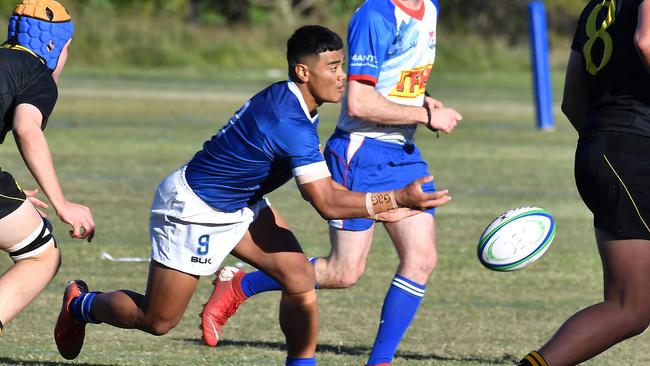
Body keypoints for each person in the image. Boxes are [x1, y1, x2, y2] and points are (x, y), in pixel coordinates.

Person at [53, 25, 451, 365]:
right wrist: (397, 199)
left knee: (298, 278)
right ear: (303, 72)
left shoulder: (290, 98)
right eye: (333, 67)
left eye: (342, 65)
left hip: (241, 204)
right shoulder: (290, 122)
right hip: (194, 210)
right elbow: (326, 202)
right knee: (158, 320)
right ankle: (80, 305)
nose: (342, 75)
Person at [200, 1, 462, 365]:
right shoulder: (376, 15)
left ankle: (380, 362)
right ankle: (242, 284)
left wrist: (424, 100)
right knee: (344, 272)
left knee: (422, 258)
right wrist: (425, 115)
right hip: (361, 152)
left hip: (402, 151)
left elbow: (399, 76)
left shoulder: (430, 7)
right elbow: (358, 102)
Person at [518, 1, 650, 365]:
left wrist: (606, 146)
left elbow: (571, 102)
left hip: (601, 148)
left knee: (631, 308)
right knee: (628, 308)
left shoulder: (596, 7)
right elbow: (647, 41)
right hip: (634, 151)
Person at [0, 0, 95, 337]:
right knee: (41, 256)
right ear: (54, 44)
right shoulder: (37, 73)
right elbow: (27, 128)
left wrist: (9, 195)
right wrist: (62, 204)